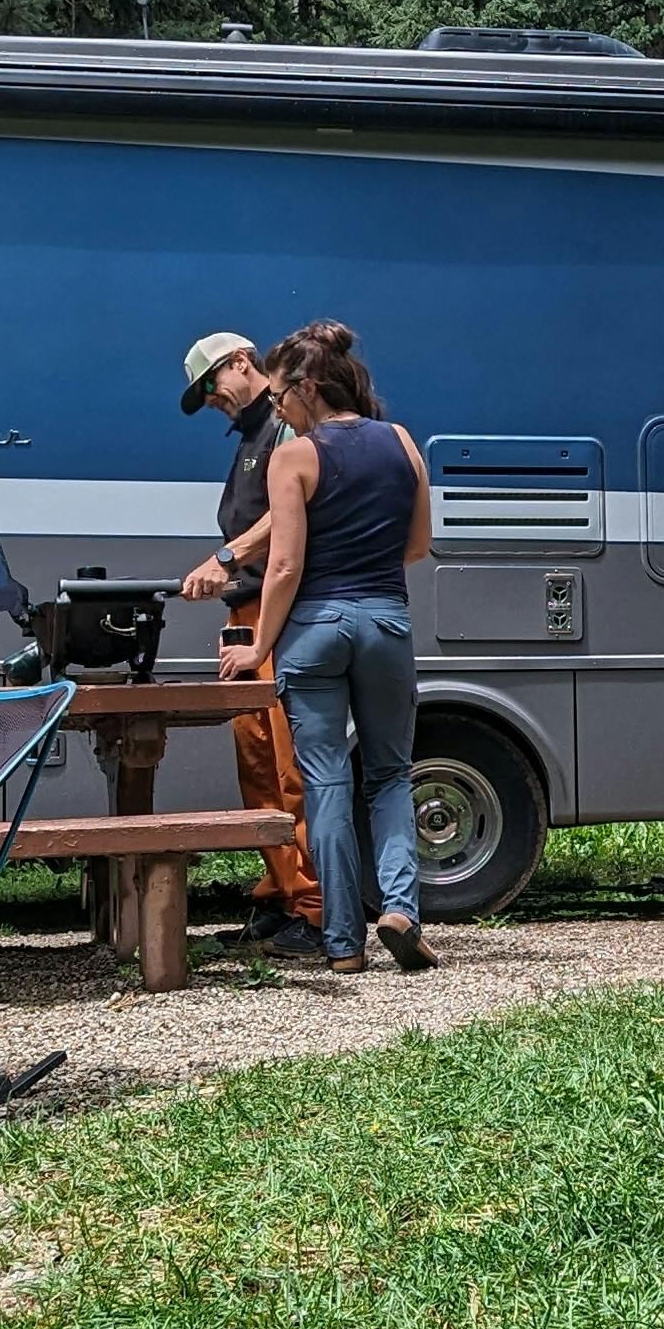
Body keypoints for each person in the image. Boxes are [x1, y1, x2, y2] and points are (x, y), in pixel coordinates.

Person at [219, 321, 435, 976]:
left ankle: (343, 942)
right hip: (385, 622)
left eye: (283, 398)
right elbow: (419, 543)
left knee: (325, 782)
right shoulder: (401, 442)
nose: (279, 410)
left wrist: (258, 645)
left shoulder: (295, 456)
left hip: (314, 629)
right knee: (391, 776)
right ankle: (400, 909)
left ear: (309, 388)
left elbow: (282, 568)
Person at [176, 329, 324, 952]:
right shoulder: (247, 440)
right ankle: (277, 892)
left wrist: (226, 554)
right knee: (256, 763)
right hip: (243, 608)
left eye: (211, 386)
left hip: (275, 611)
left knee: (291, 767)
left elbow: (289, 514)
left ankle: (313, 908)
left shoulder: (287, 425)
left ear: (242, 364)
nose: (212, 400)